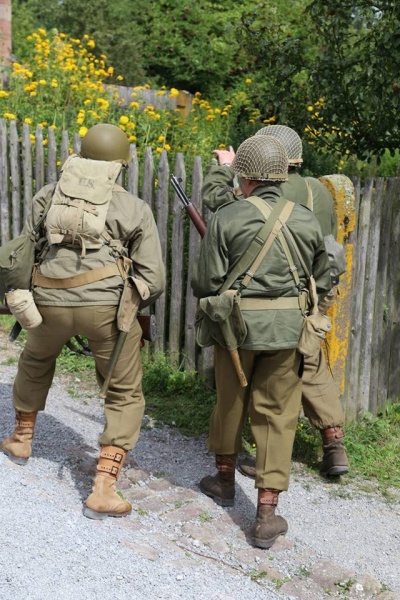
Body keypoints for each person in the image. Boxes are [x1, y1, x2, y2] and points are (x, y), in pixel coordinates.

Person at [0, 123, 165, 520]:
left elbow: (23, 251)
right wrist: (129, 302)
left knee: (36, 361)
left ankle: (21, 438)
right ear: (121, 165)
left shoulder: (47, 196)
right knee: (123, 391)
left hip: (48, 302)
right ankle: (103, 487)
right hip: (105, 311)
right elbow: (154, 279)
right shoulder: (134, 208)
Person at [192, 135, 332, 548]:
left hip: (235, 331)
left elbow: (205, 282)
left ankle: (223, 481)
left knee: (230, 401)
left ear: (246, 177)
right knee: (278, 414)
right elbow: (322, 279)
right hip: (288, 333)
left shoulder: (227, 216)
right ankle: (267, 514)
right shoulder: (305, 219)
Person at [202, 124, 349, 478]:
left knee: (262, 373)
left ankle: (248, 455)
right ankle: (334, 441)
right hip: (314, 287)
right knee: (308, 359)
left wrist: (225, 167)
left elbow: (215, 200)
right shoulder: (317, 190)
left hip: (269, 295)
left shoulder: (255, 193)